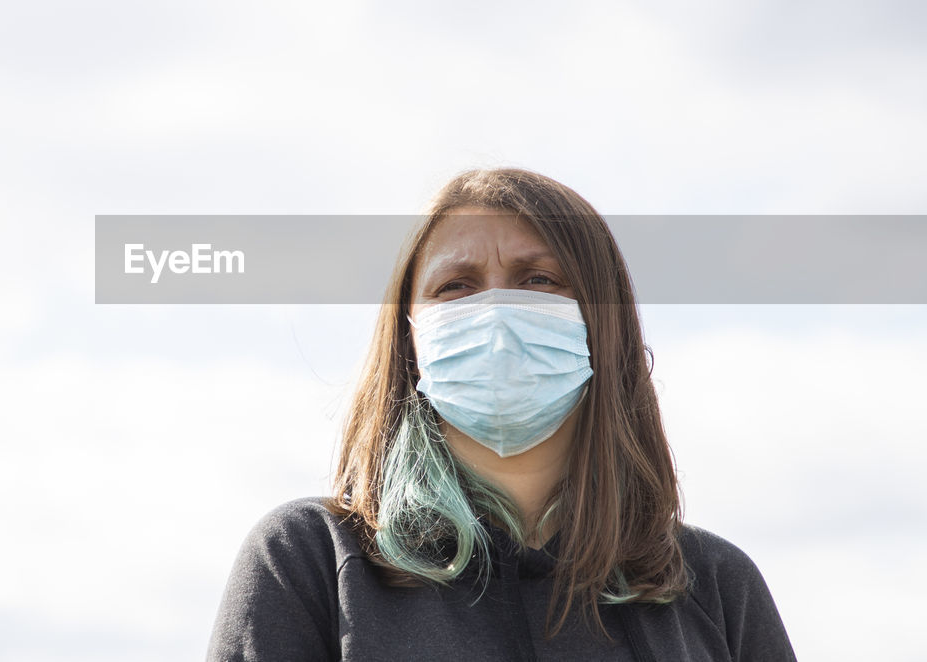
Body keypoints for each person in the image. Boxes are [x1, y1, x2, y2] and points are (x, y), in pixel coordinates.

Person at [206, 168, 797, 661]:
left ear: (604, 323)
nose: (494, 313)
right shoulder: (311, 561)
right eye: (455, 287)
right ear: (408, 339)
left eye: (538, 280)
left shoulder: (714, 586)